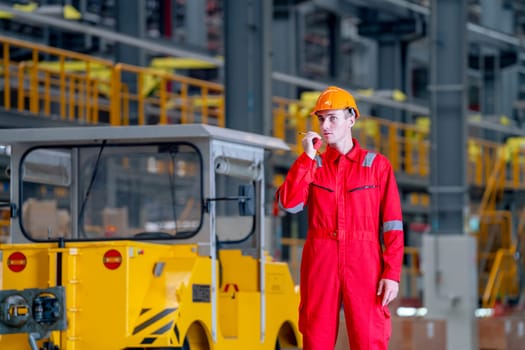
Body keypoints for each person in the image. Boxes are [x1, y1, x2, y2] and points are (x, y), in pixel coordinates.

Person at [276, 86, 404, 349]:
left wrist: (392, 273)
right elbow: (289, 204)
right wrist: (307, 157)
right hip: (321, 259)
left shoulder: (377, 166)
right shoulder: (314, 165)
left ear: (351, 119)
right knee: (316, 337)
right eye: (321, 119)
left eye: (332, 118)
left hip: (365, 260)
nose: (325, 125)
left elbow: (392, 225)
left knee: (369, 337)